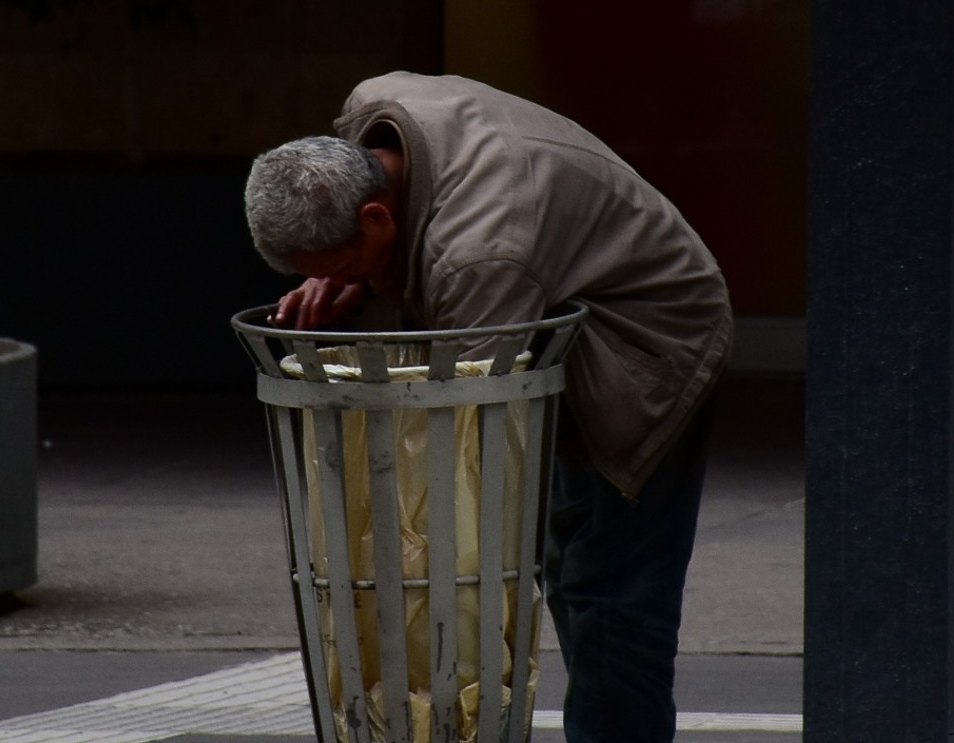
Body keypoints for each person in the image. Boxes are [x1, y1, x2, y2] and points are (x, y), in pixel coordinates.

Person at [242, 71, 732, 743]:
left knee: (609, 589)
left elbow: (472, 434)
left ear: (377, 216)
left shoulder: (479, 258)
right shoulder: (372, 108)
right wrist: (350, 273)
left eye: (344, 266)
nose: (338, 285)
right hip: (561, 303)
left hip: (647, 349)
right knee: (571, 565)